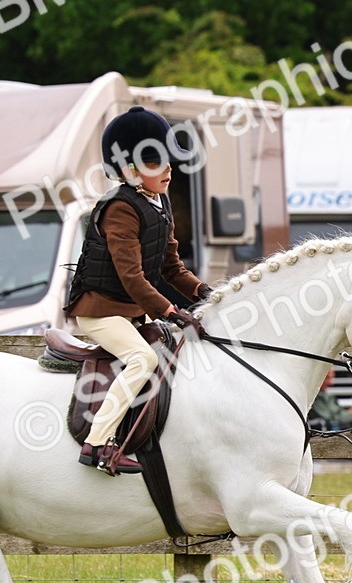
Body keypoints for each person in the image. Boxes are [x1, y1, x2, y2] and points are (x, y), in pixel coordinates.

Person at [64, 106, 212, 475]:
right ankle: (97, 443)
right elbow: (132, 278)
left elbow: (170, 268)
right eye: (157, 164)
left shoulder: (158, 203)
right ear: (130, 170)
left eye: (169, 162)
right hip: (99, 311)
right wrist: (170, 311)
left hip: (129, 310)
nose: (168, 170)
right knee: (142, 360)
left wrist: (204, 291)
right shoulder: (120, 209)